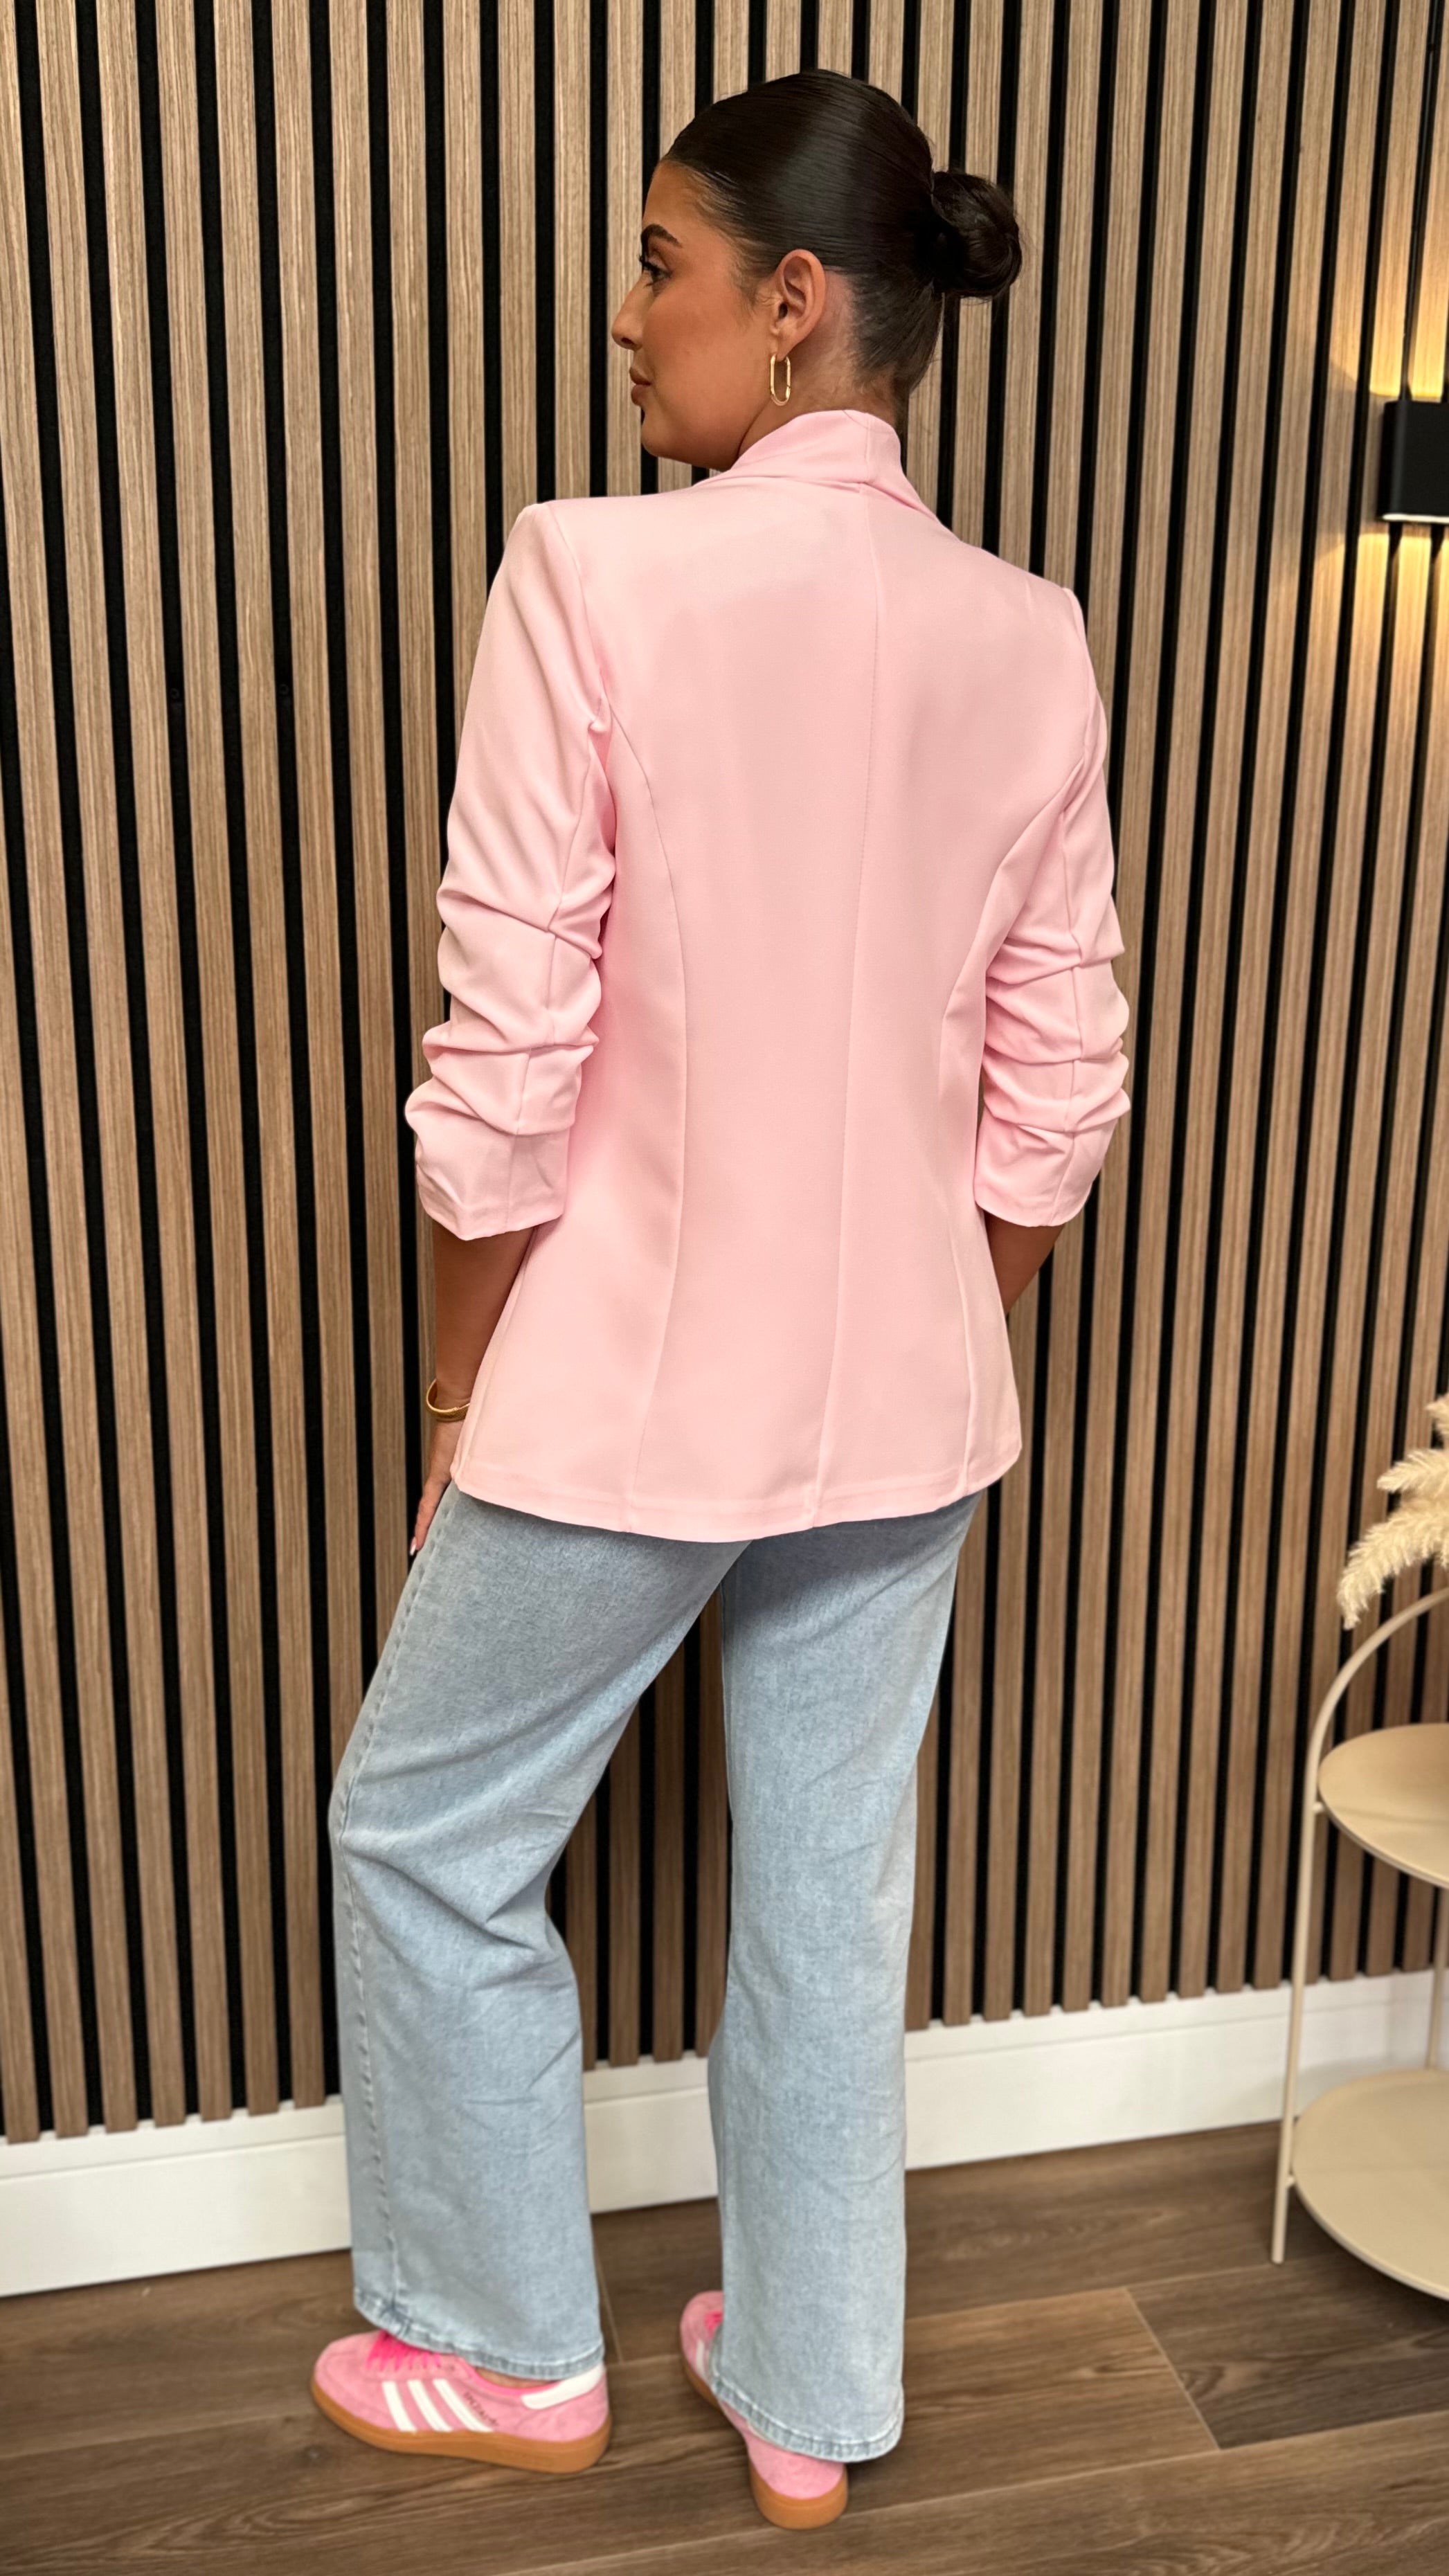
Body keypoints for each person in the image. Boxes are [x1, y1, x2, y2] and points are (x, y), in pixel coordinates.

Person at [309, 65, 1131, 2534]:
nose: (625, 310)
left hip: (628, 1385)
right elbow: (1063, 1079)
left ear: (789, 303)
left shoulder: (592, 577)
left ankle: (505, 2347)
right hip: (911, 1400)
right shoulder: (1030, 636)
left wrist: (458, 1385)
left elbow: (504, 1059)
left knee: (423, 1828)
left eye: (659, 262)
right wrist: (947, 1316)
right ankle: (807, 2395)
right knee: (829, 1889)